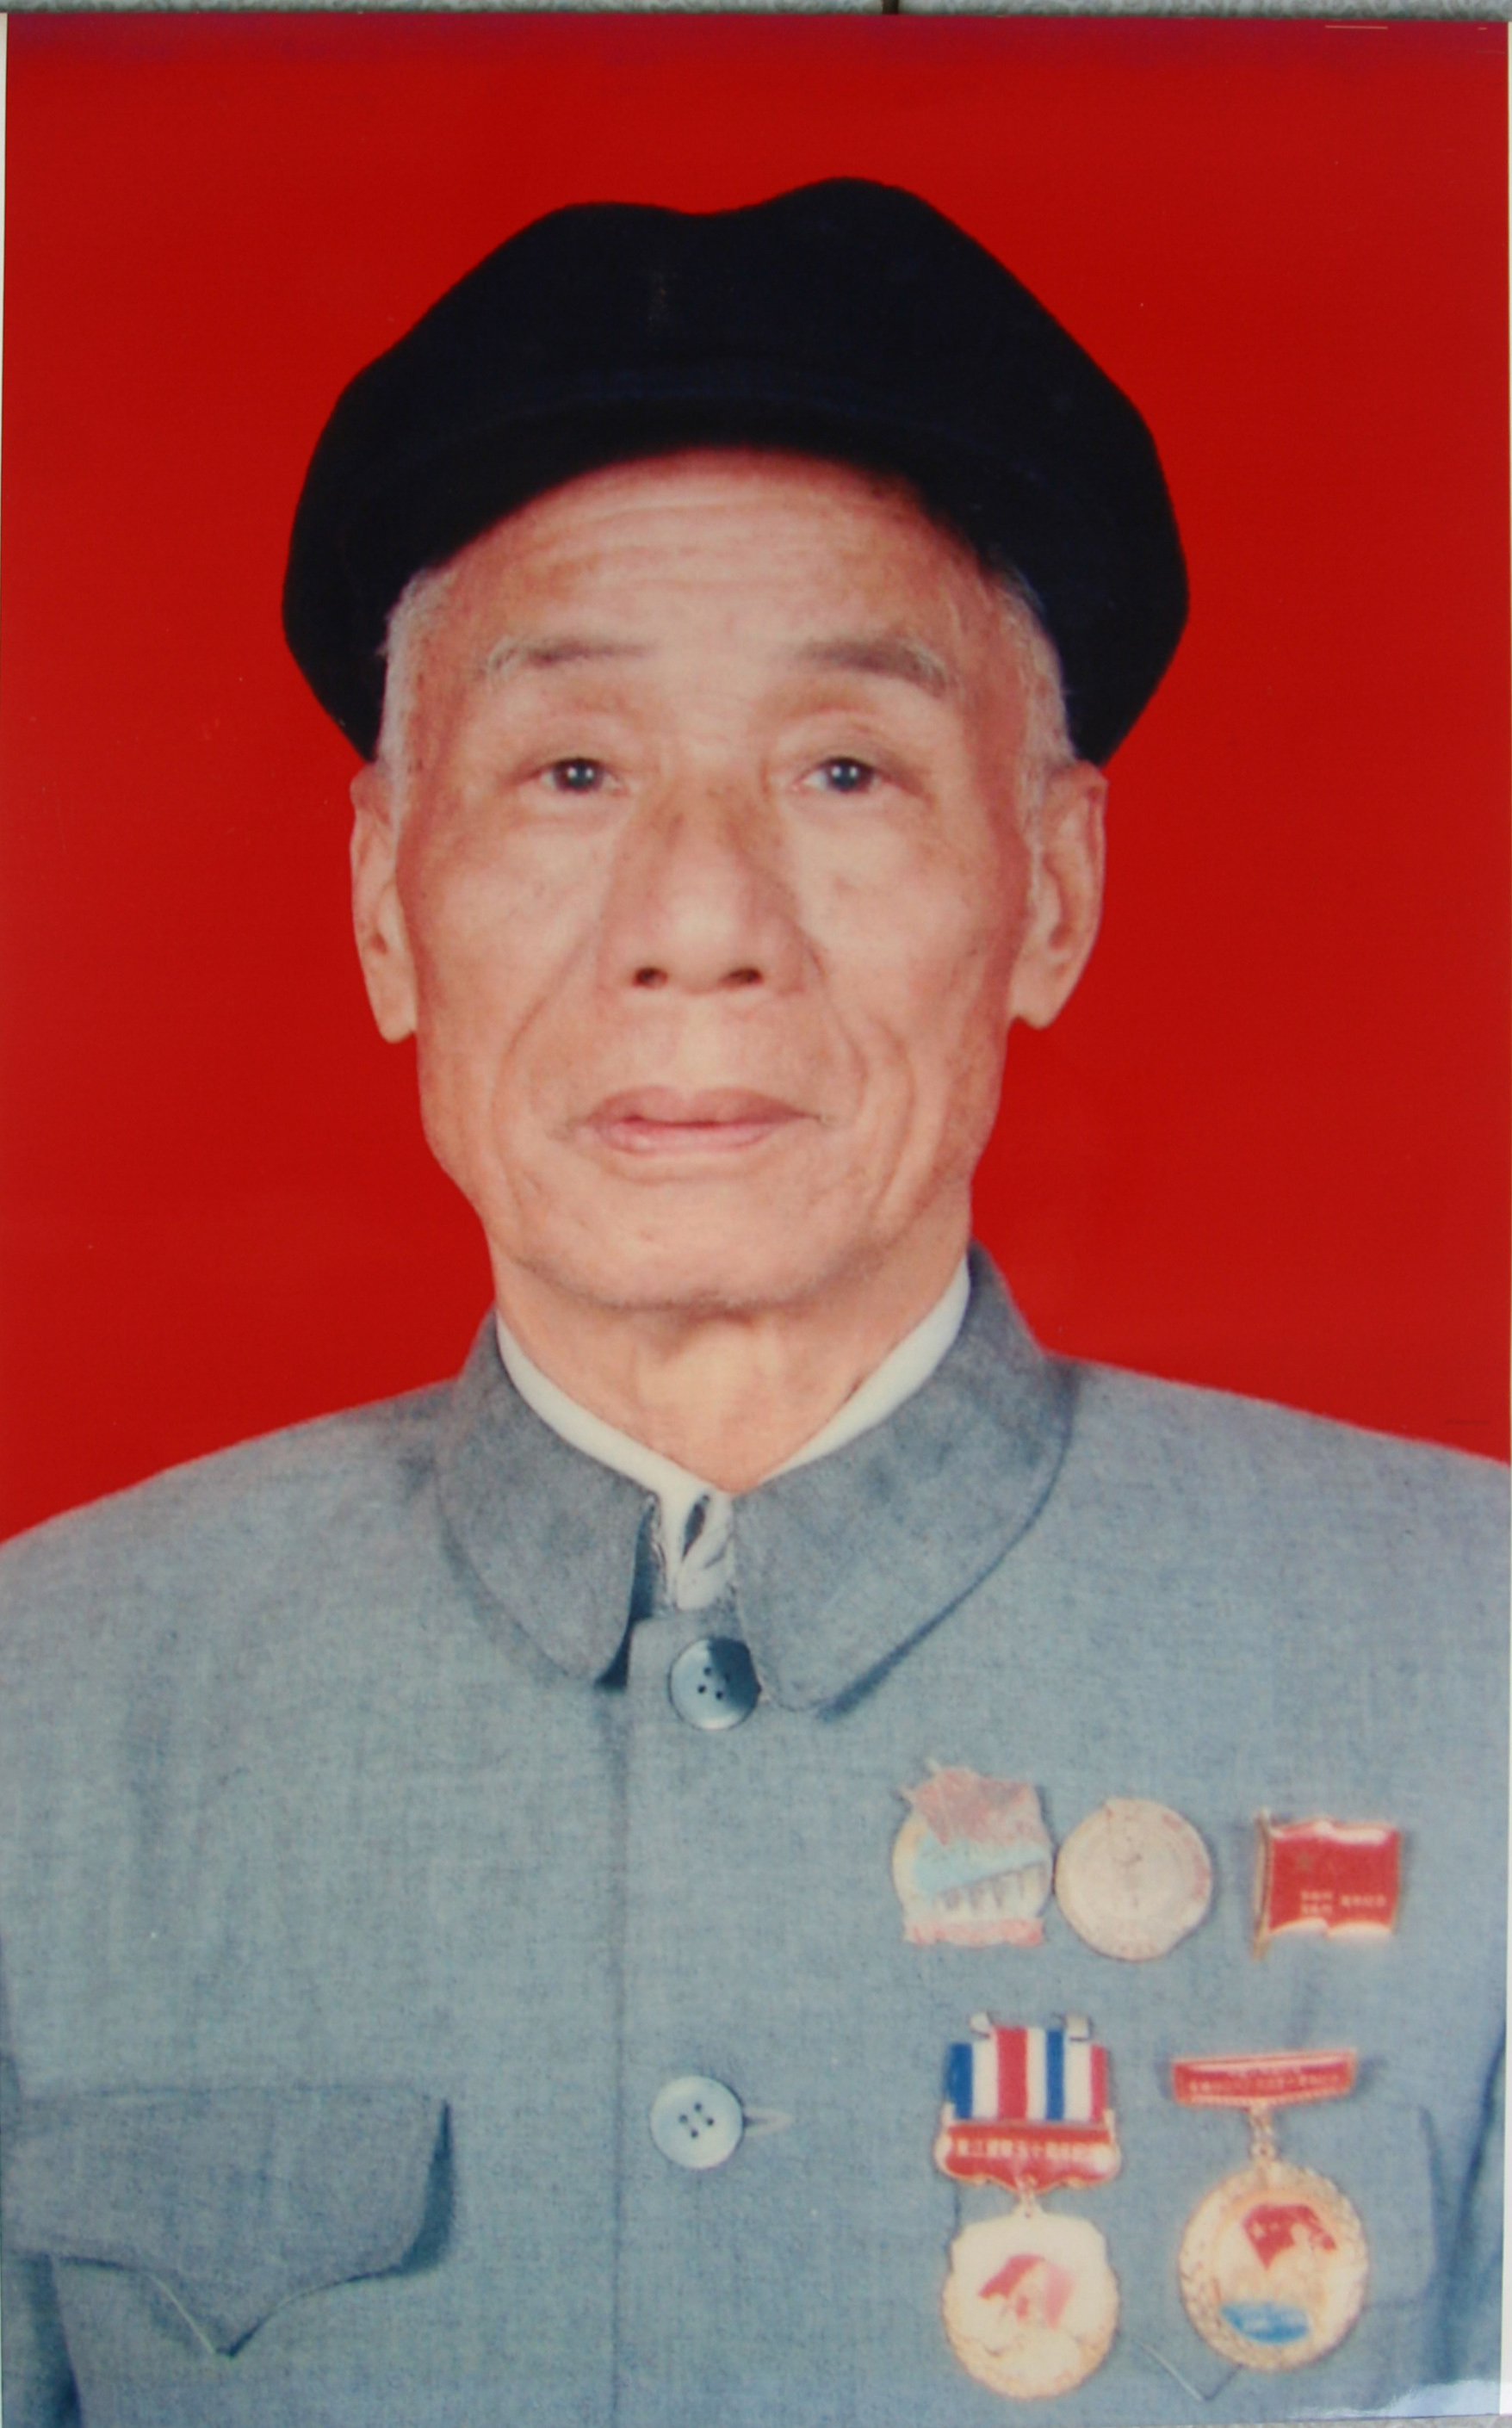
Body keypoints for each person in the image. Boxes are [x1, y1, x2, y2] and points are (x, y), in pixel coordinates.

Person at [0, 178, 1503, 2428]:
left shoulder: (1471, 1657)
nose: (699, 921)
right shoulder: (40, 1721)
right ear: (386, 904)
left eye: (842, 769)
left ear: (1052, 888)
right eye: (571, 770)